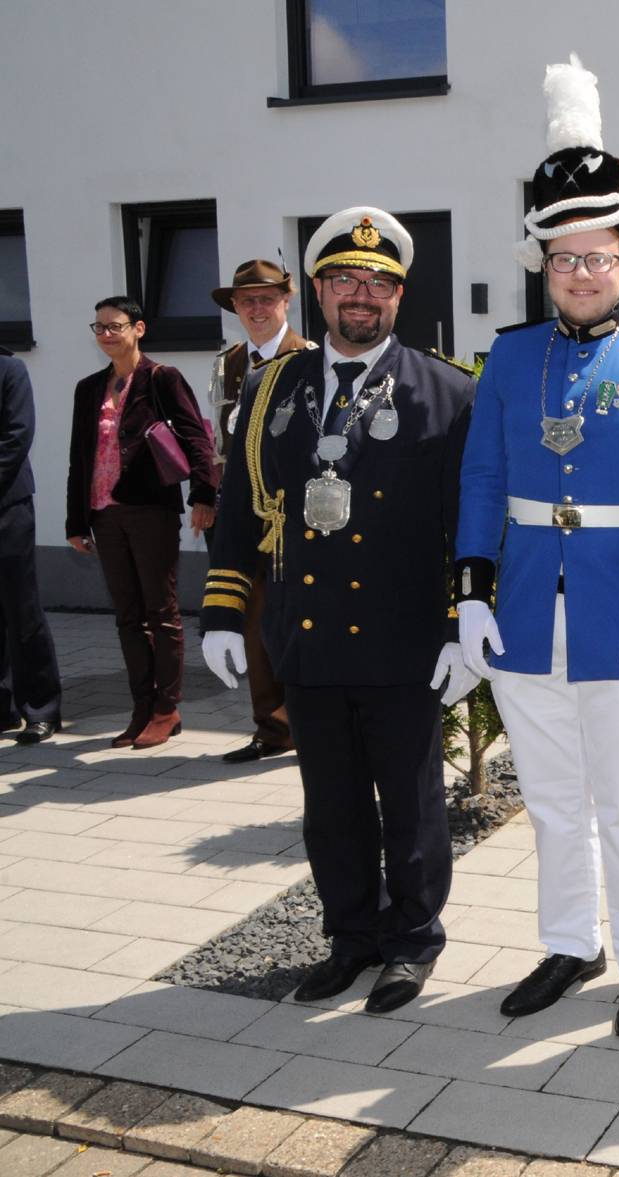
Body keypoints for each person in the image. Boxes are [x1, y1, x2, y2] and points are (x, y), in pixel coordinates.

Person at [455, 54, 619, 1033]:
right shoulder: (512, 357)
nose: (580, 274)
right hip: (526, 608)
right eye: (563, 259)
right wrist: (470, 593)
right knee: (553, 799)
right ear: (544, 265)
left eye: (597, 257)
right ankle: (570, 943)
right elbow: (483, 479)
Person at [201, 207, 478, 1014]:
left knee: (412, 805)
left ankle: (413, 939)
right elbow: (241, 504)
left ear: (399, 295)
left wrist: (462, 628)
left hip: (404, 640)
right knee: (331, 805)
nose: (362, 295)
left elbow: (470, 524)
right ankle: (351, 935)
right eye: (345, 280)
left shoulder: (449, 392)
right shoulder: (272, 388)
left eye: (378, 283)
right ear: (319, 290)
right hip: (309, 635)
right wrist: (222, 610)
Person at [66, 297, 216, 748]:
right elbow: (80, 457)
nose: (106, 334)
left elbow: (195, 438)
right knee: (127, 616)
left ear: (139, 328)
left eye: (115, 326)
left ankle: (167, 708)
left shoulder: (161, 378)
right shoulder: (88, 388)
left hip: (151, 508)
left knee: (161, 611)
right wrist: (76, 521)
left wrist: (204, 495)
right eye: (99, 327)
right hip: (103, 511)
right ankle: (141, 708)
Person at [206, 259, 314, 763]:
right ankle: (271, 728)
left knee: (295, 623)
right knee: (251, 621)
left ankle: (305, 721)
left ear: (286, 301)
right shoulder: (229, 363)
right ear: (234, 307)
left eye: (267, 299)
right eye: (246, 301)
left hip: (289, 517)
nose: (256, 309)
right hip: (241, 510)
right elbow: (222, 440)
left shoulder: (308, 360)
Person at [0, 348, 60, 743]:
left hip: (7, 504)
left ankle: (41, 709)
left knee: (21, 608)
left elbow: (17, 435)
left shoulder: (10, 368)